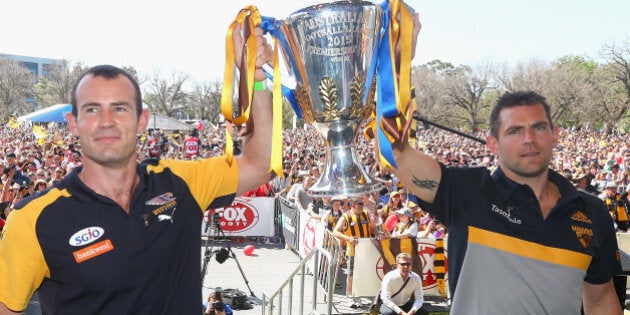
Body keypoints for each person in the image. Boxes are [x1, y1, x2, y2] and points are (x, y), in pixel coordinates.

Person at [0, 25, 275, 314]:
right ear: (73, 122)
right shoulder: (32, 220)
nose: (107, 121)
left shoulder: (183, 182)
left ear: (142, 120)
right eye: (92, 109)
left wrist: (255, 81)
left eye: (119, 108)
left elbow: (261, 165)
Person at [378, 90, 622, 313]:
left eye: (538, 127)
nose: (529, 139)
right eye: (514, 130)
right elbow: (400, 157)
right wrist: (391, 104)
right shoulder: (469, 192)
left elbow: (601, 299)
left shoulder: (592, 211)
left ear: (554, 135)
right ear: (493, 143)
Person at [333, 195, 378, 307]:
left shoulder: (366, 214)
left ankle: (359, 295)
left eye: (363, 204)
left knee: (363, 274)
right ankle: (350, 296)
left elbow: (372, 229)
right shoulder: (346, 216)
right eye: (361, 204)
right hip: (352, 250)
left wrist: (378, 231)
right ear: (353, 205)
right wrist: (348, 238)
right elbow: (335, 231)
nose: (363, 206)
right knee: (352, 274)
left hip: (366, 250)